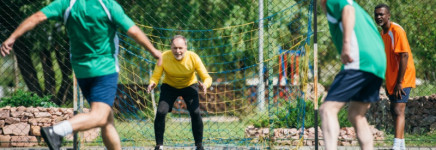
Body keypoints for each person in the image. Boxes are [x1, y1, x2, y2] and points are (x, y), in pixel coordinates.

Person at [0, 0, 161, 149]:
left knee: (107, 120)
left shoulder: (67, 4)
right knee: (99, 116)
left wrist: (12, 37)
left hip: (81, 71)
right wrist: (155, 52)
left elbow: (37, 17)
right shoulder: (108, 5)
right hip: (104, 69)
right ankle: (57, 131)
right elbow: (133, 30)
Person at [319, 0, 387, 150]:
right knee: (356, 114)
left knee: (327, 109)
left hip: (359, 59)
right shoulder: (356, 8)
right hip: (378, 63)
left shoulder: (333, 1)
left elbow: (348, 11)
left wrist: (346, 44)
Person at [147, 35, 212, 150]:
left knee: (195, 112)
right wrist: (153, 83)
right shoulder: (163, 57)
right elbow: (156, 75)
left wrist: (205, 85)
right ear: (170, 48)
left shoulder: (194, 57)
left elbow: (206, 77)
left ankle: (199, 145)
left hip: (189, 86)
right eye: (175, 48)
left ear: (186, 48)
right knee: (161, 112)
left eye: (180, 48)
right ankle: (159, 146)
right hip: (169, 86)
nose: (178, 51)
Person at [374, 4, 416, 150]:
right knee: (394, 110)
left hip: (403, 77)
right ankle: (401, 145)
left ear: (388, 15)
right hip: (393, 78)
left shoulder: (396, 30)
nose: (379, 17)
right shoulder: (382, 35)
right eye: (377, 14)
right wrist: (387, 81)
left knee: (398, 110)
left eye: (382, 14)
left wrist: (399, 82)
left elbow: (404, 55)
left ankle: (396, 146)